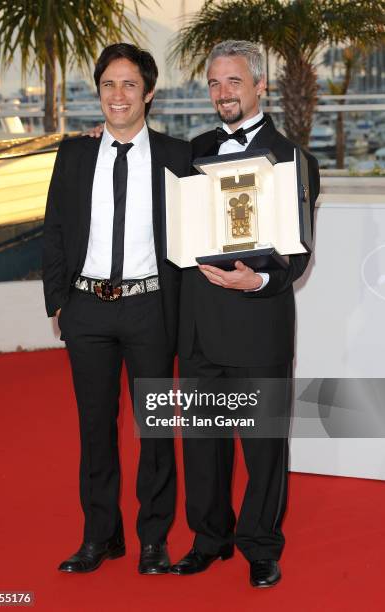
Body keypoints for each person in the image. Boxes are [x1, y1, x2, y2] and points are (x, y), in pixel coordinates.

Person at [169, 40, 320, 587]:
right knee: (203, 446)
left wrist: (255, 279)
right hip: (201, 325)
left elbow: (299, 253)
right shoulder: (188, 152)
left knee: (262, 446)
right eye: (213, 83)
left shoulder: (296, 157)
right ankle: (209, 540)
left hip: (259, 322)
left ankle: (260, 545)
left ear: (260, 86)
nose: (223, 92)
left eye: (234, 81)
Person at [42, 43, 191, 575]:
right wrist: (58, 301)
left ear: (149, 93)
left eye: (130, 84)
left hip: (150, 307)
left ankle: (153, 539)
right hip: (88, 310)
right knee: (94, 429)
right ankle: (100, 537)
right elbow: (55, 229)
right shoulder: (75, 153)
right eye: (109, 84)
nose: (118, 94)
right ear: (98, 92)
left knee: (154, 429)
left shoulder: (178, 155)